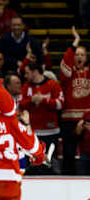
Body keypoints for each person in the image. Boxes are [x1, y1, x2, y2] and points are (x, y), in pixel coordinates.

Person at [59, 26, 90, 175]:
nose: (79, 57)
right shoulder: (68, 74)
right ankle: (68, 182)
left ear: (86, 57)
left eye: (82, 55)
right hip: (69, 120)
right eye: (77, 54)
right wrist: (75, 42)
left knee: (87, 154)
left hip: (88, 119)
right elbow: (64, 64)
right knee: (69, 155)